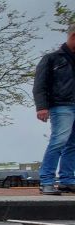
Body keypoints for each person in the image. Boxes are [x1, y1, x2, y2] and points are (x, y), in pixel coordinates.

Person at [34, 24, 75, 195]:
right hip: (62, 105)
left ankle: (67, 181)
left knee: (72, 144)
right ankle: (46, 181)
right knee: (59, 141)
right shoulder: (52, 59)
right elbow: (40, 84)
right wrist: (42, 106)